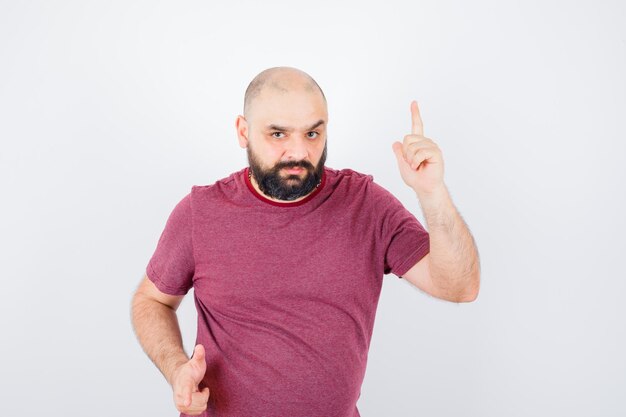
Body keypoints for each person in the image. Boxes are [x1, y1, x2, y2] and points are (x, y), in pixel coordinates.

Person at [131, 66, 480, 417]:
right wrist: (176, 368)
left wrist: (432, 192)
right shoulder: (200, 212)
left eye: (312, 133)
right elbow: (151, 301)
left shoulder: (367, 205)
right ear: (243, 131)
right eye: (278, 134)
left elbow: (459, 286)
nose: (298, 152)